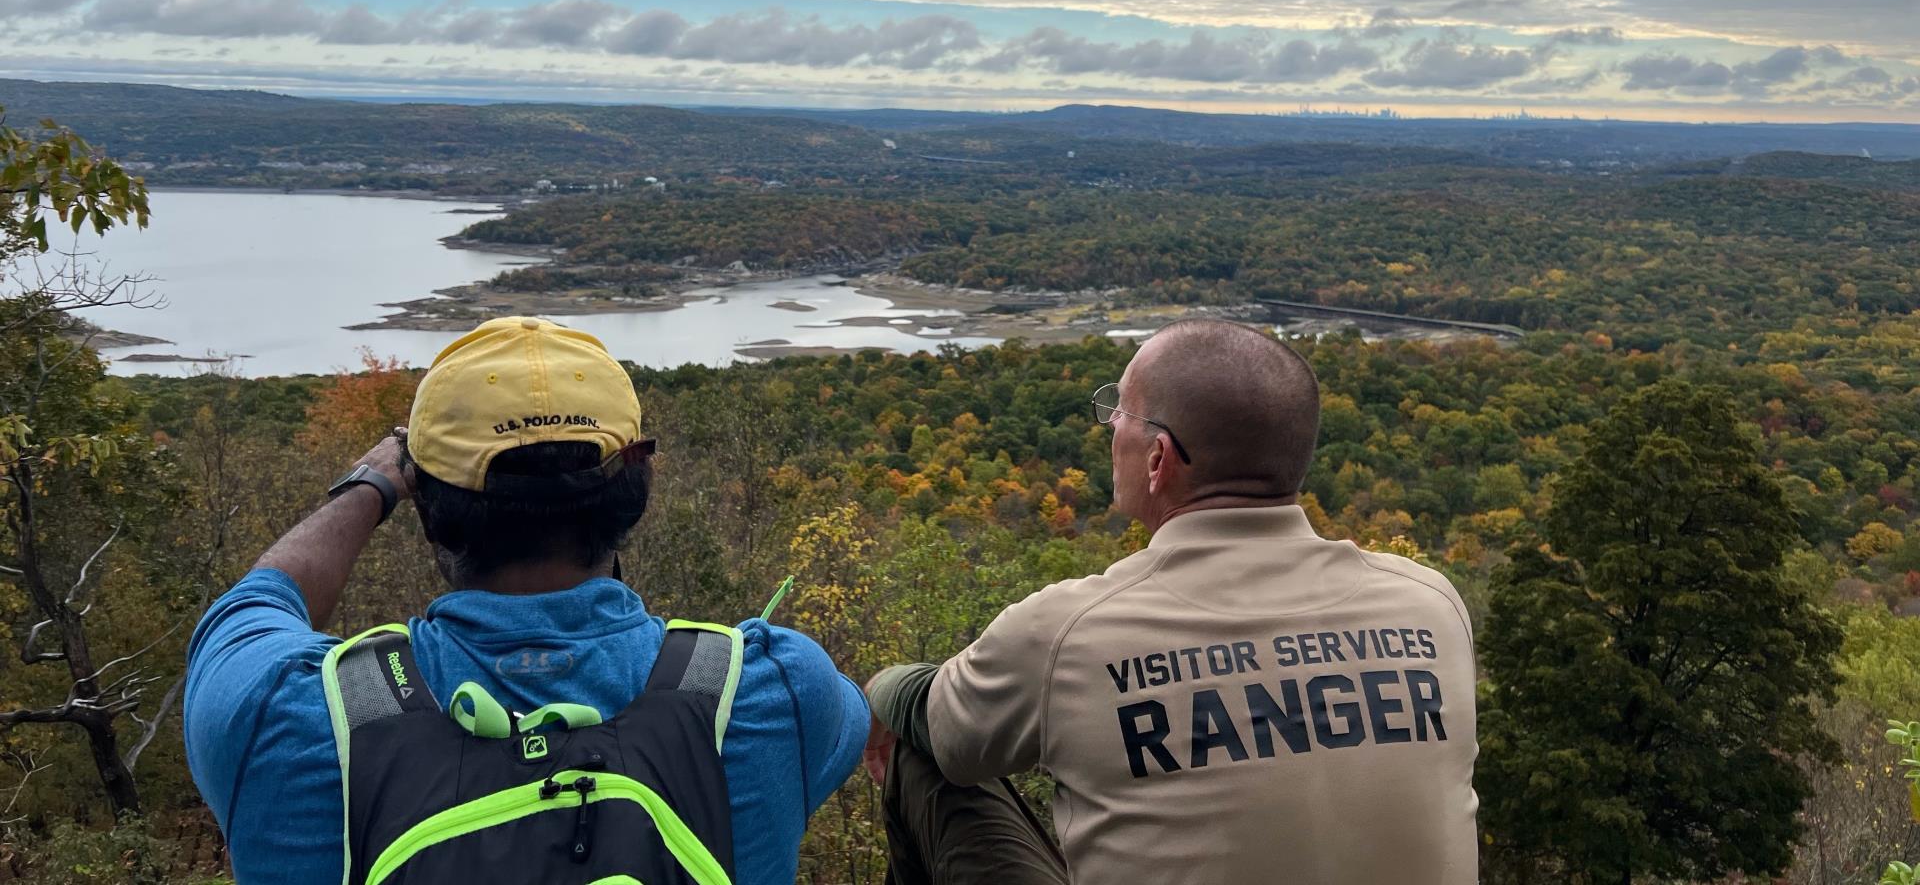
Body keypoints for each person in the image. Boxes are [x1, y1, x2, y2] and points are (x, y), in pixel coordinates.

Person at [185, 317, 867, 884]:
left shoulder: (284, 718)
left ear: (429, 511)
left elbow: (253, 606)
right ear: (635, 497)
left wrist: (375, 483)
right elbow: (859, 718)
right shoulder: (772, 697)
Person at [865, 319, 1479, 884]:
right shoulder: (1432, 606)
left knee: (920, 759)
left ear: (1159, 459)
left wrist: (880, 688)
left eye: (1119, 414)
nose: (1110, 429)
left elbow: (938, 724)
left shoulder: (1067, 632)